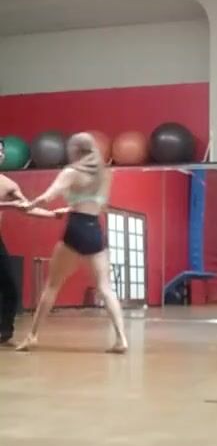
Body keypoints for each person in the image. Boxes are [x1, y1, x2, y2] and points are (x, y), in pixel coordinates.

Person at [15, 132, 128, 353]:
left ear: (74, 150)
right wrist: (70, 208)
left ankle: (32, 336)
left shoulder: (71, 172)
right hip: (94, 230)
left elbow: (48, 196)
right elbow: (99, 206)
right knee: (105, 288)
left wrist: (29, 205)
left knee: (52, 286)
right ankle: (121, 339)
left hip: (75, 229)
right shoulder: (105, 174)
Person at [0, 138, 59, 346]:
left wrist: (52, 215)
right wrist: (10, 205)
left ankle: (4, 332)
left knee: (10, 287)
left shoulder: (8, 184)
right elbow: (14, 206)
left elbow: (26, 207)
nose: (0, 155)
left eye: (1, 151)